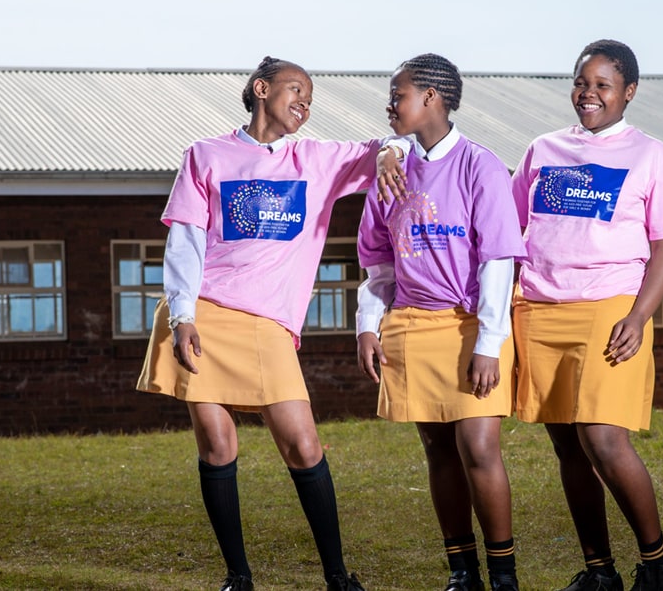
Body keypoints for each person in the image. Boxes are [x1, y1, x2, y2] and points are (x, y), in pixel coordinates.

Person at [137, 56, 404, 591]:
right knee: (217, 446)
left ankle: (337, 575)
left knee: (303, 445)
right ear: (261, 90)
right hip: (205, 314)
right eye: (294, 91)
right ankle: (238, 576)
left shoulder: (318, 160)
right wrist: (183, 315)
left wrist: (389, 153)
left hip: (268, 325)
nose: (304, 104)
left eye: (310, 98)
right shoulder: (206, 155)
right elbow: (184, 243)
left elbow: (386, 146)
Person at [510, 40, 663, 591]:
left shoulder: (651, 155)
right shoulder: (541, 149)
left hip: (610, 307)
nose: (588, 94)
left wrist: (639, 317)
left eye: (602, 85)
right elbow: (508, 224)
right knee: (567, 444)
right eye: (581, 83)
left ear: (628, 92)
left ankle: (659, 562)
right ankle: (599, 572)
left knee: (604, 439)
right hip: (540, 307)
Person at [355, 54, 526, 591]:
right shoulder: (391, 167)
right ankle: (462, 573)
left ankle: (503, 576)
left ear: (431, 96)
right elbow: (378, 261)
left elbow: (499, 259)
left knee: (478, 447)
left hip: (471, 325)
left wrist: (490, 342)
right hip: (410, 325)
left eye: (397, 93)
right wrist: (367, 325)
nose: (389, 104)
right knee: (437, 450)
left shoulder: (482, 165)